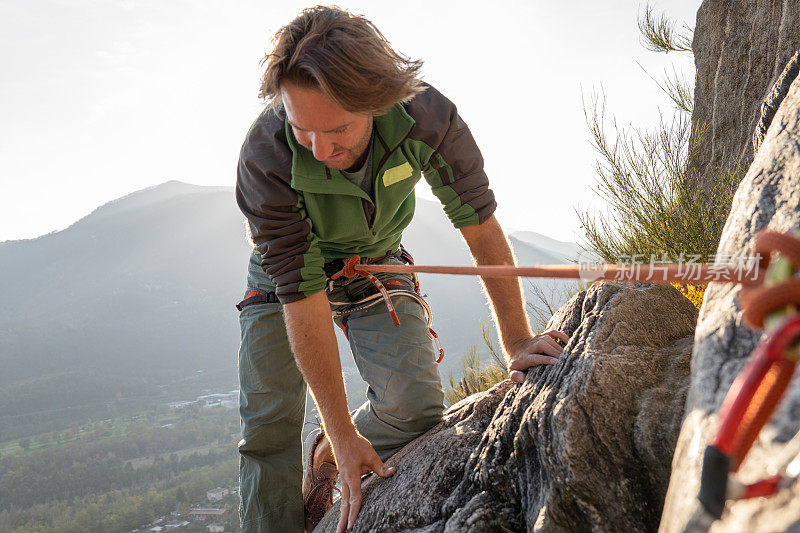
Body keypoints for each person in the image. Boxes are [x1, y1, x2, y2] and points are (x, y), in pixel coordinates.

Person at [235, 6, 569, 533]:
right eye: (304, 132)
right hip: (285, 280)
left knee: (415, 411)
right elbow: (301, 293)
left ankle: (326, 456)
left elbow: (479, 224)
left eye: (338, 129)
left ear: (376, 100)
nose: (321, 151)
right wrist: (342, 426)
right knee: (269, 427)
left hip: (375, 264)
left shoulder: (428, 119)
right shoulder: (266, 157)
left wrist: (517, 339)